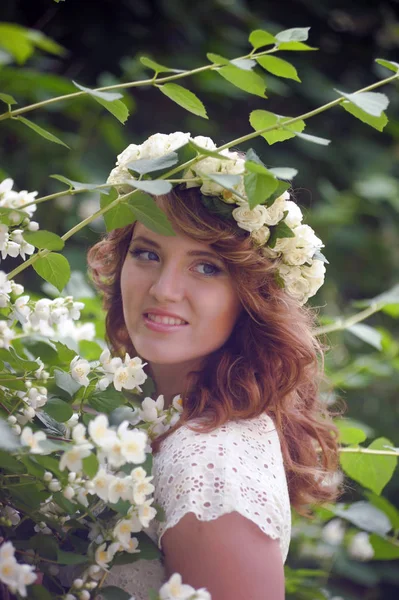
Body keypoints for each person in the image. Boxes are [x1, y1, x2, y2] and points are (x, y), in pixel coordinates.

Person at [86, 133, 341, 599]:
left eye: (206, 267)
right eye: (147, 253)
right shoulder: (155, 418)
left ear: (251, 297)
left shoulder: (211, 467)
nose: (164, 289)